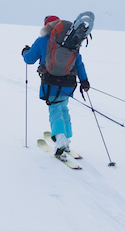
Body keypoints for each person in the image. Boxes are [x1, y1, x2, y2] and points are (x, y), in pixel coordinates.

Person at [22, 15, 91, 161]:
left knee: (54, 110)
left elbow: (29, 59)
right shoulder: (70, 43)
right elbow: (78, 63)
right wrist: (84, 81)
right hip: (68, 84)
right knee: (63, 108)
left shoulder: (42, 41)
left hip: (51, 83)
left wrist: (25, 51)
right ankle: (67, 139)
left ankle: (61, 142)